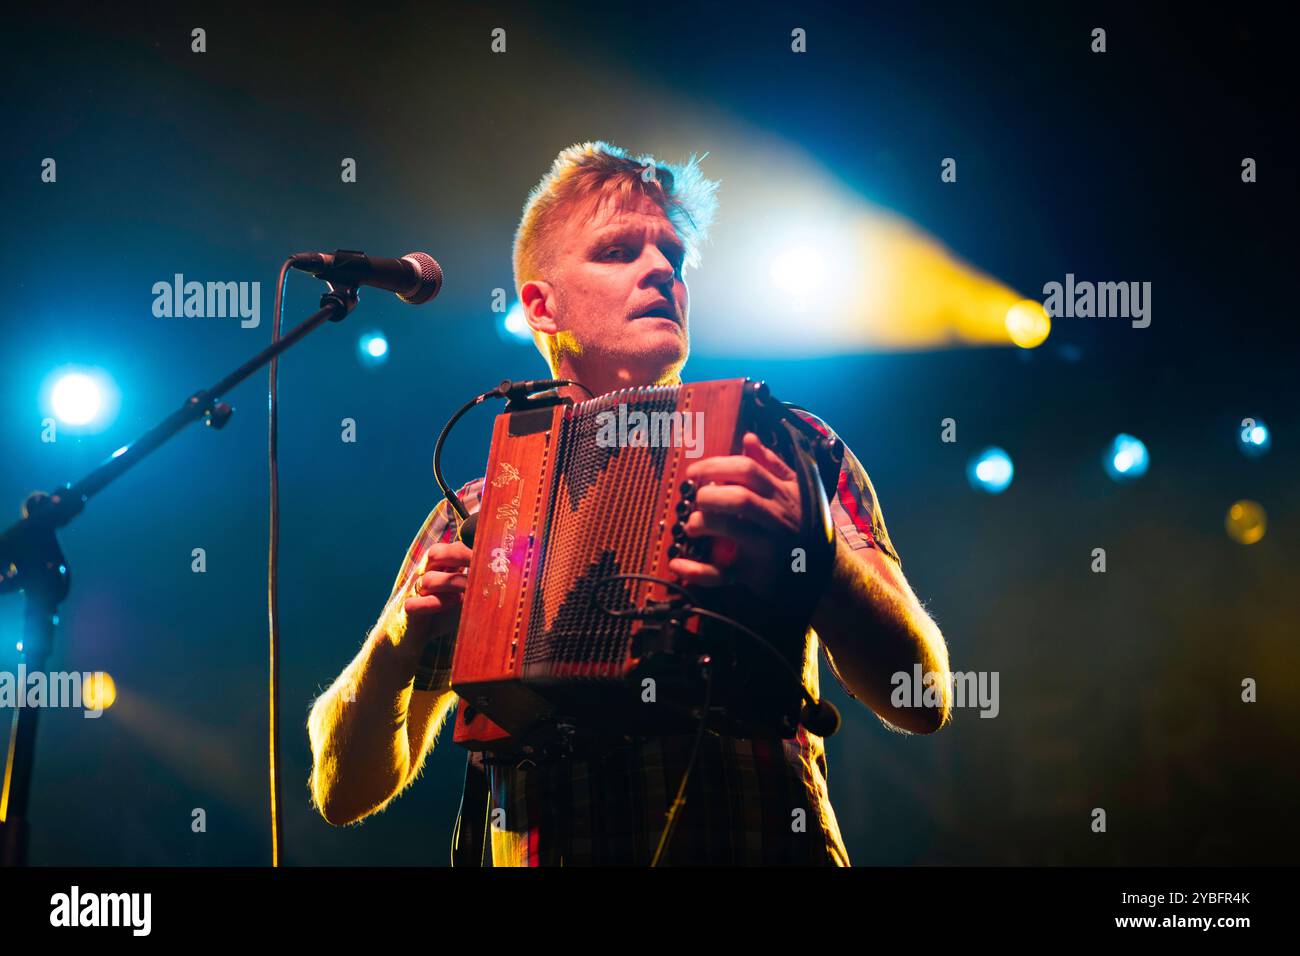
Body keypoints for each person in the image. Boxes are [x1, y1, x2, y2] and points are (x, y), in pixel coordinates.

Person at [307, 142, 951, 865]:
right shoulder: (478, 511)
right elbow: (342, 793)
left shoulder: (786, 446)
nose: (660, 272)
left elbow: (922, 699)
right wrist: (396, 642)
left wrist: (820, 559)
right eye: (618, 251)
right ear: (540, 306)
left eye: (672, 258)